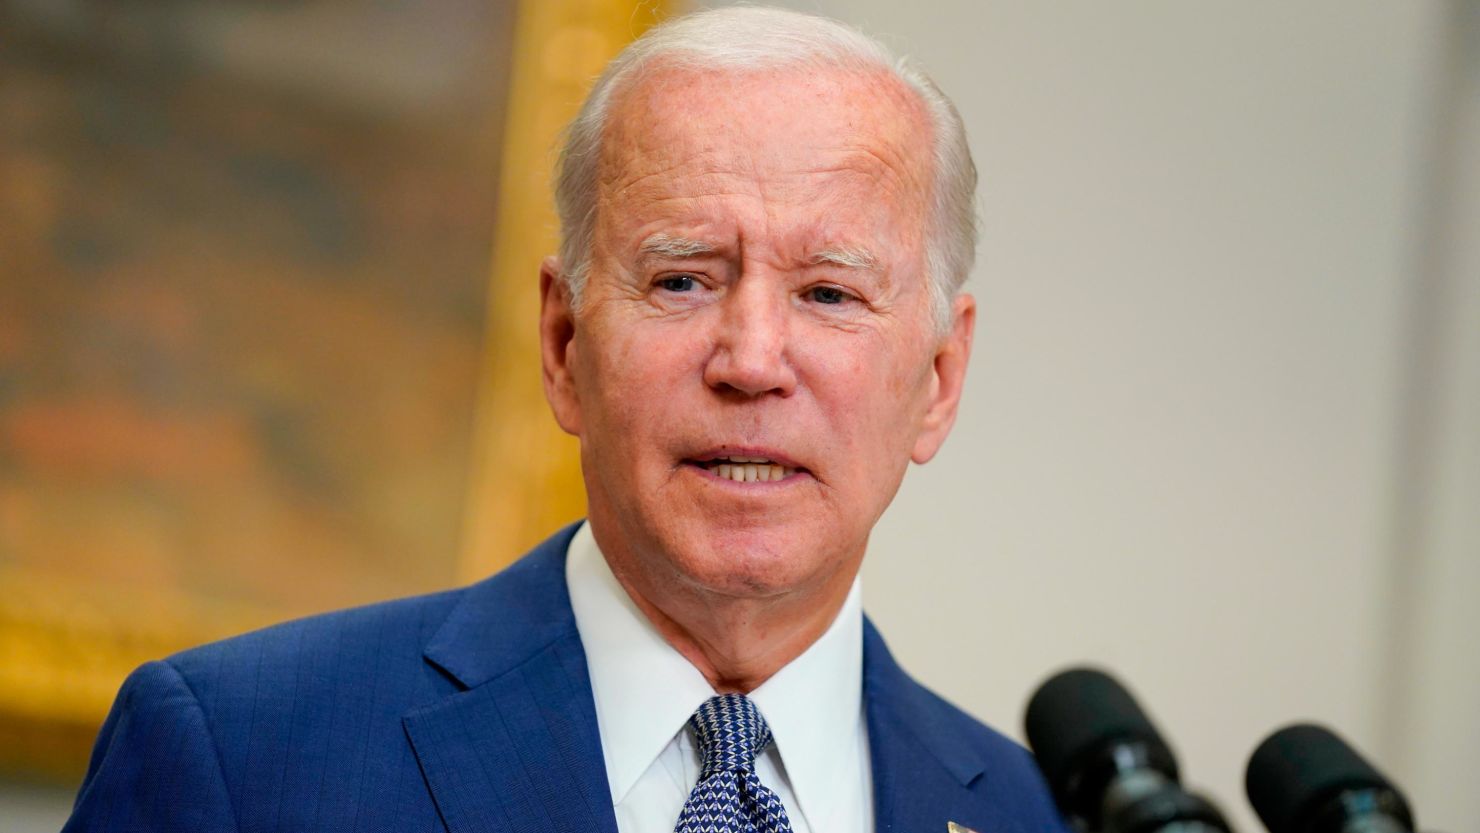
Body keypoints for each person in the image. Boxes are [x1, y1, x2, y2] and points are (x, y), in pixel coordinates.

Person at [64, 8, 1068, 833]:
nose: (753, 360)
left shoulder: (1043, 816)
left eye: (830, 294)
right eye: (681, 278)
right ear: (562, 346)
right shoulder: (240, 754)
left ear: (938, 377)